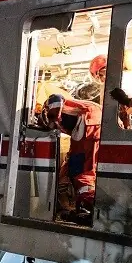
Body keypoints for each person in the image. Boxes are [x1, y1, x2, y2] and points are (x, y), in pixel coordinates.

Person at [40, 93, 102, 225]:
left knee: (82, 173)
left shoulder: (49, 108)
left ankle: (97, 208)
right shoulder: (74, 114)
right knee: (74, 167)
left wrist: (51, 120)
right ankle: (86, 206)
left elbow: (56, 99)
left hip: (90, 125)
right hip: (92, 124)